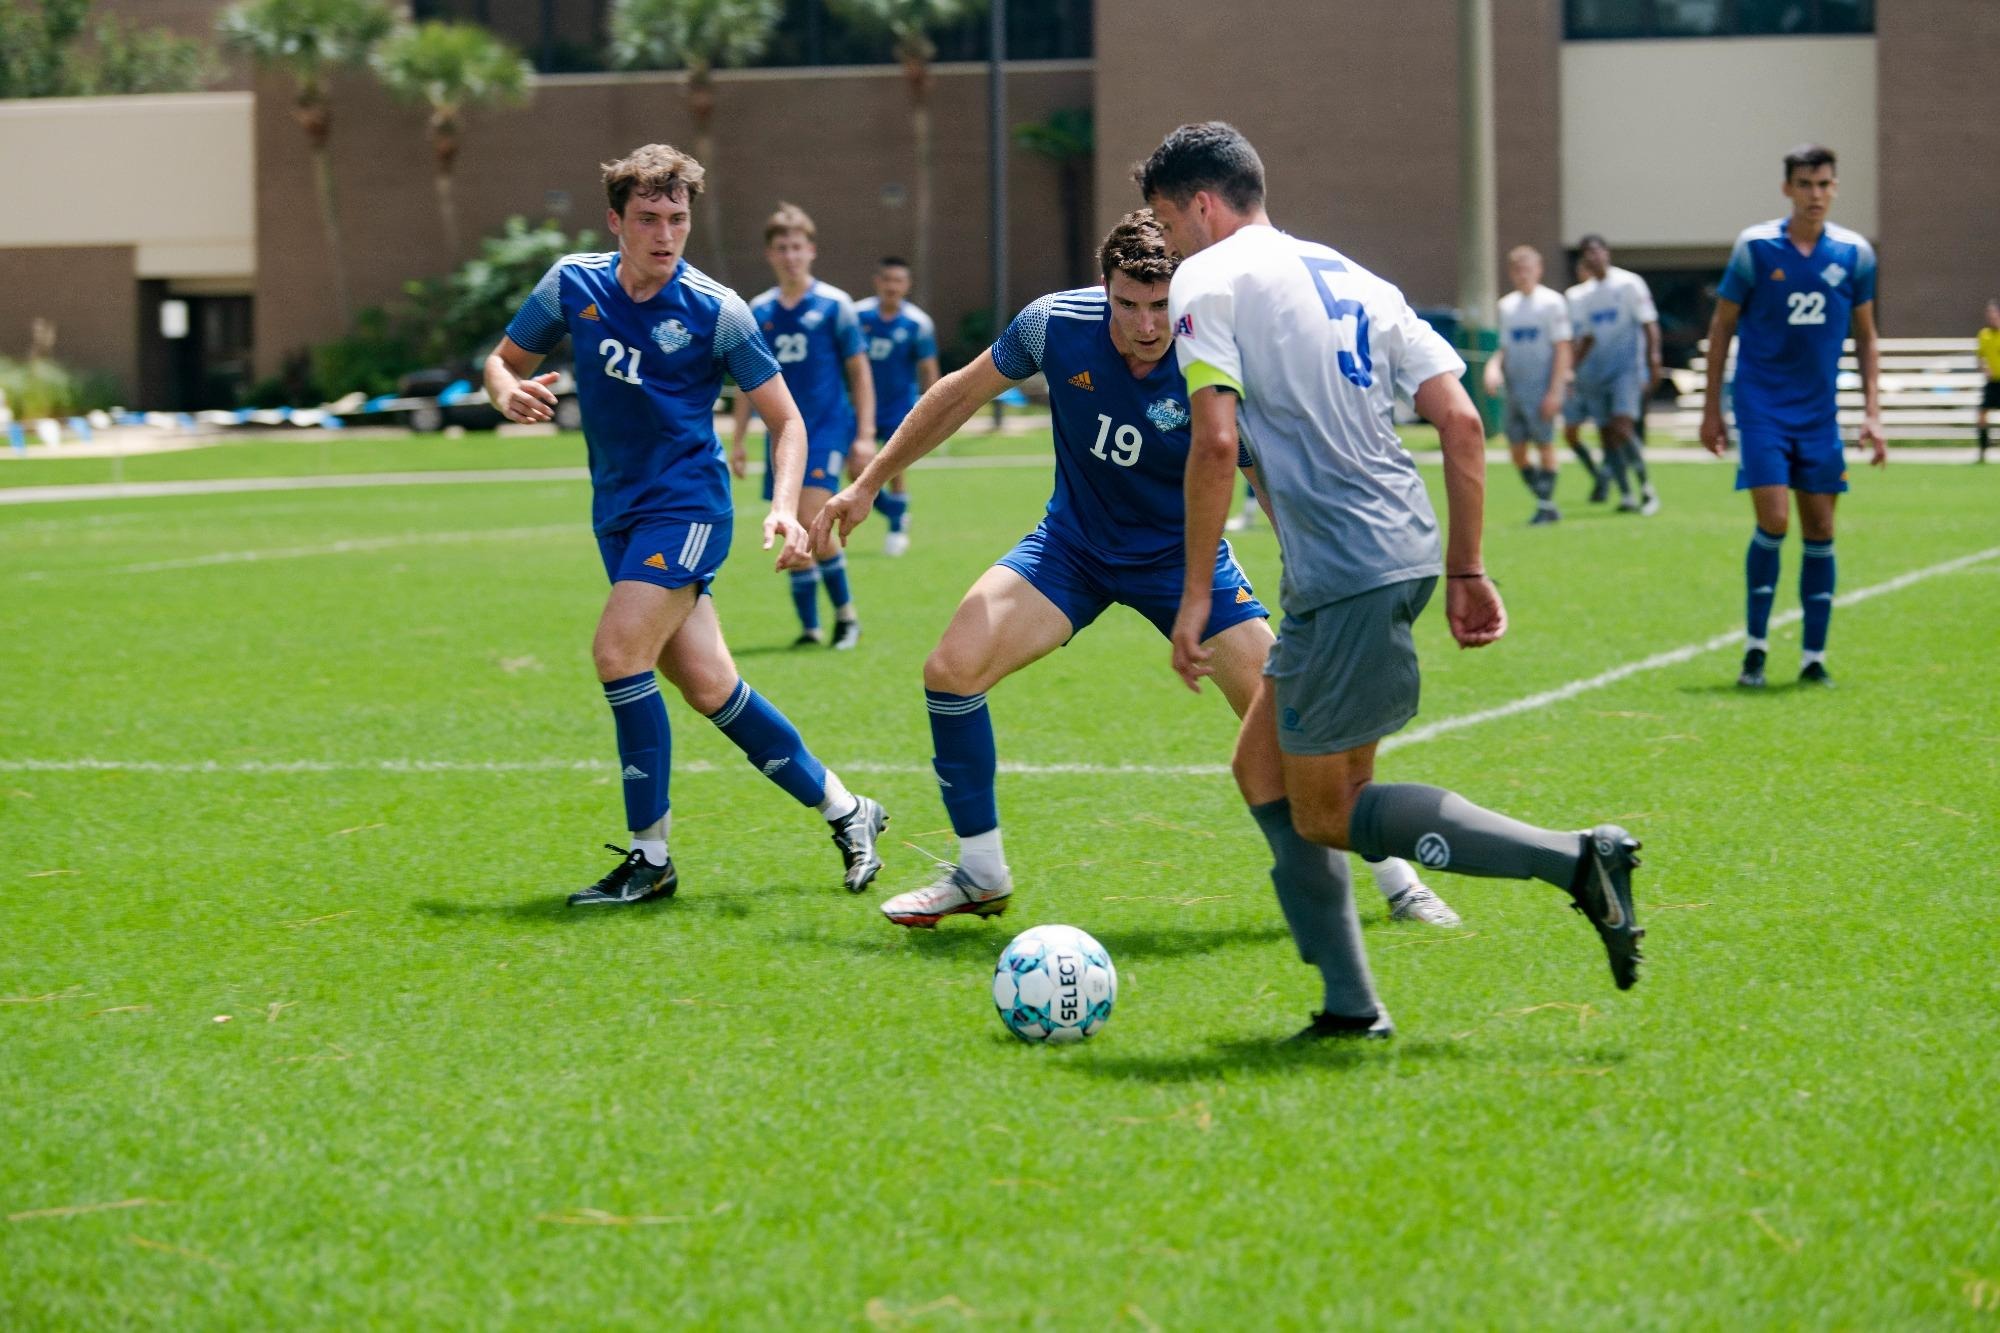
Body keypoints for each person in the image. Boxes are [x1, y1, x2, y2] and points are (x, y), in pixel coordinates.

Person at [1136, 122, 1644, 1041]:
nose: (1168, 246)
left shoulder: (1207, 279)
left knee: (1330, 811)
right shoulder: (1357, 277)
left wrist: (1196, 598)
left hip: (1344, 570)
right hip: (1396, 552)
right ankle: (1348, 1005)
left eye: (1167, 224)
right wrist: (1465, 566)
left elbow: (1214, 443)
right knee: (1262, 767)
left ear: (1201, 205)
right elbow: (1462, 421)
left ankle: (1576, 860)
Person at [811, 211, 1456, 930]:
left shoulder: (1216, 354)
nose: (1148, 325)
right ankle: (981, 873)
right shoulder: (1052, 325)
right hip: (1072, 548)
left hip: (1186, 565)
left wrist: (1317, 575)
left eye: (1161, 305)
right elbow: (960, 393)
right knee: (951, 669)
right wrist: (867, 484)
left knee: (1295, 722)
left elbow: (1267, 477)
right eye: (1128, 304)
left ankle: (1400, 882)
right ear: (1103, 288)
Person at [484, 145, 888, 906]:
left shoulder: (717, 310)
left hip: (688, 508)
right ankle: (848, 809)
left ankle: (651, 858)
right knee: (709, 685)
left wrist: (782, 504)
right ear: (615, 221)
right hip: (618, 513)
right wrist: (505, 390)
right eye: (648, 218)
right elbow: (502, 361)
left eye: (677, 217)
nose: (665, 234)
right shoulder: (571, 284)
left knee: (617, 652)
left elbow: (787, 420)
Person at [1701, 143, 1885, 689]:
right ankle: (1755, 650)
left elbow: (1867, 337)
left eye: (1824, 184)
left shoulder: (1854, 254)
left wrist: (1873, 413)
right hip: (1761, 407)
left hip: (1819, 414)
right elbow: (1721, 326)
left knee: (1821, 530)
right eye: (1805, 184)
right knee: (1775, 519)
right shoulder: (1756, 248)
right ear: (1787, 189)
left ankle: (1813, 657)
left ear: (1835, 188)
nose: (1815, 195)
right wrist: (1712, 409)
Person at [729, 204, 874, 649]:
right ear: (769, 254)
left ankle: (847, 619)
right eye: (781, 248)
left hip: (827, 429)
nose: (790, 256)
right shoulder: (758, 310)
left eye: (797, 247)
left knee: (812, 518)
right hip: (782, 437)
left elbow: (859, 372)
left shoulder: (835, 305)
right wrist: (738, 439)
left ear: (811, 251)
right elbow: (747, 380)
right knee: (788, 522)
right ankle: (811, 629)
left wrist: (865, 436)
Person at [1569, 235, 1663, 514]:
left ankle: (1647, 489)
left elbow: (1648, 323)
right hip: (1595, 373)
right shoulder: (1582, 295)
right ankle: (1625, 494)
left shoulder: (1629, 283)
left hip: (1626, 369)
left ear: (1606, 253)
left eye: (1597, 251)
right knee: (1607, 434)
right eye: (1587, 253)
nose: (1593, 256)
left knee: (1623, 427)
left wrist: (1654, 359)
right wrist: (1570, 370)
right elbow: (1586, 338)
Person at [1485, 245, 1575, 525]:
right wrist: (1493, 368)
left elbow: (1562, 348)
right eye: (1517, 270)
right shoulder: (1506, 306)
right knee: (1517, 451)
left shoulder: (1552, 303)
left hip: (1541, 388)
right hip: (1514, 390)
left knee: (1545, 444)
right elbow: (1504, 348)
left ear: (1539, 270)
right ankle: (1546, 502)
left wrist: (1555, 392)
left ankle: (1545, 505)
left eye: (1528, 269)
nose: (1523, 275)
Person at [855, 257, 940, 555]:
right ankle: (896, 513)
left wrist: (933, 411)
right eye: (887, 279)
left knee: (895, 469)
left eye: (898, 280)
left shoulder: (917, 323)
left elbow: (929, 369)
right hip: (862, 408)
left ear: (907, 285)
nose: (892, 286)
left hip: (900, 408)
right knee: (856, 467)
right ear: (877, 281)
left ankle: (895, 532)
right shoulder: (857, 315)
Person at [1978, 298, 1999, 464]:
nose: (1991, 317)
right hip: (1992, 383)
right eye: (1989, 314)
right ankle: (1983, 450)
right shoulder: (1984, 335)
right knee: (1982, 414)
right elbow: (1980, 357)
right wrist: (1985, 368)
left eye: (1994, 314)